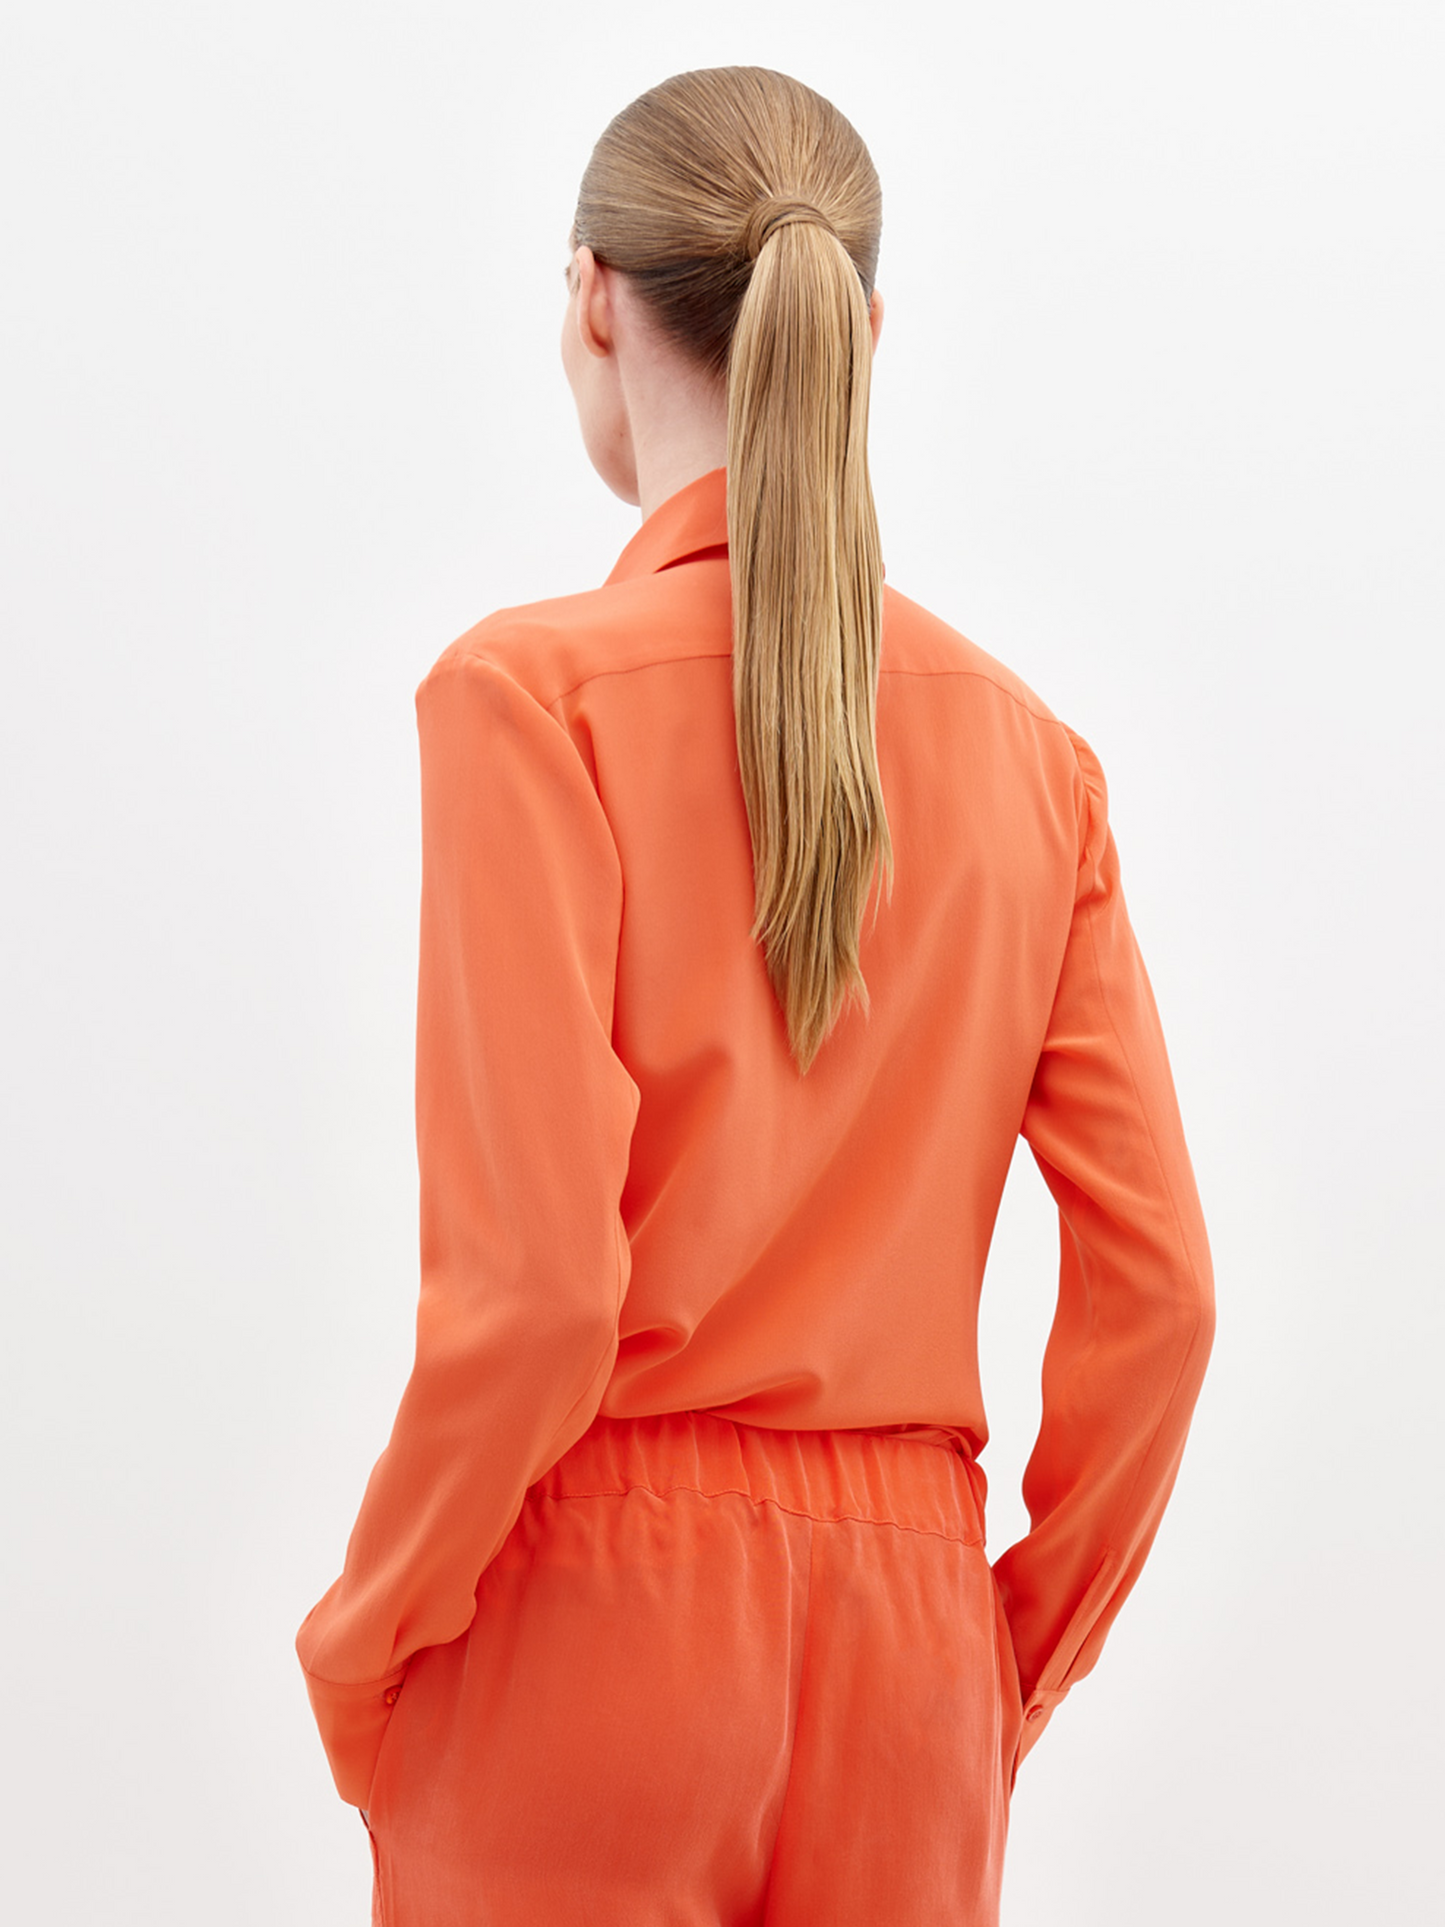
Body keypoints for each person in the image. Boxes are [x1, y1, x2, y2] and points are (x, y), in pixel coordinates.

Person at [295, 64, 1216, 1927]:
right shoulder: (1040, 762)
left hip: (586, 1624)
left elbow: (543, 1289)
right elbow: (1166, 1293)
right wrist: (994, 1651)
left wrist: (367, 1632)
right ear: (865, 334)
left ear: (592, 301)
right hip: (911, 1645)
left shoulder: (527, 699)